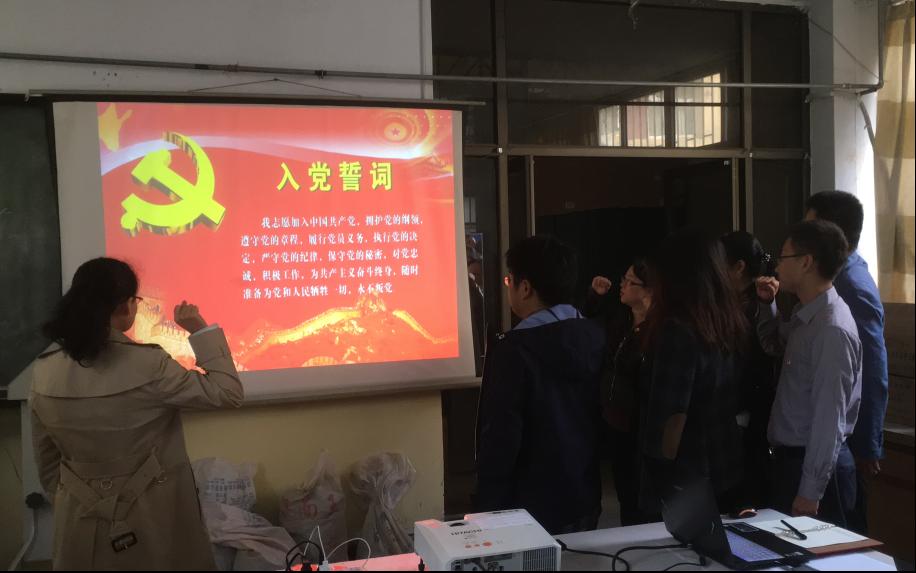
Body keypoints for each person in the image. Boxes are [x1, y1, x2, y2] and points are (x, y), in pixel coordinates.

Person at [30, 258, 244, 570]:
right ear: (125, 305)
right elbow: (227, 392)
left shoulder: (44, 371)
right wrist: (200, 329)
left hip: (79, 520)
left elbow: (47, 462)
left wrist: (75, 501)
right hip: (153, 518)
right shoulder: (149, 364)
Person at [475, 236, 605, 534]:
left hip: (531, 506)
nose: (508, 287)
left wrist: (487, 506)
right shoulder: (595, 335)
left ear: (525, 288)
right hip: (584, 494)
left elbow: (502, 437)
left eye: (509, 280)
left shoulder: (514, 351)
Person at [757, 220, 862, 527]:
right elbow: (774, 344)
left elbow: (829, 419)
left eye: (783, 257)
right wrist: (767, 305)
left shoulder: (831, 328)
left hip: (814, 470)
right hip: (794, 462)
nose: (777, 266)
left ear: (806, 262)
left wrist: (810, 491)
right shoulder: (806, 315)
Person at [638, 231, 746, 516]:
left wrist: (657, 480)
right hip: (724, 464)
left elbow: (671, 417)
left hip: (685, 476)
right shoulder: (726, 320)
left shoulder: (678, 330)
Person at [806, 190, 888, 534]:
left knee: (843, 532)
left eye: (810, 227)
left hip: (847, 439)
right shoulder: (840, 275)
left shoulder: (852, 284)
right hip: (830, 431)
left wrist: (869, 444)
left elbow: (874, 367)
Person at [584, 259, 656, 525]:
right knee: (624, 491)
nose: (622, 285)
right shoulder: (621, 318)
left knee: (641, 495)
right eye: (623, 279)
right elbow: (588, 323)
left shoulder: (660, 328)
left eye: (629, 281)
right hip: (614, 420)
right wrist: (594, 297)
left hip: (641, 423)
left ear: (648, 289)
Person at [720, 231, 777, 511]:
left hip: (747, 415)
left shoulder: (758, 304)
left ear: (739, 267)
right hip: (737, 413)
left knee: (743, 500)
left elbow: (759, 358)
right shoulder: (734, 301)